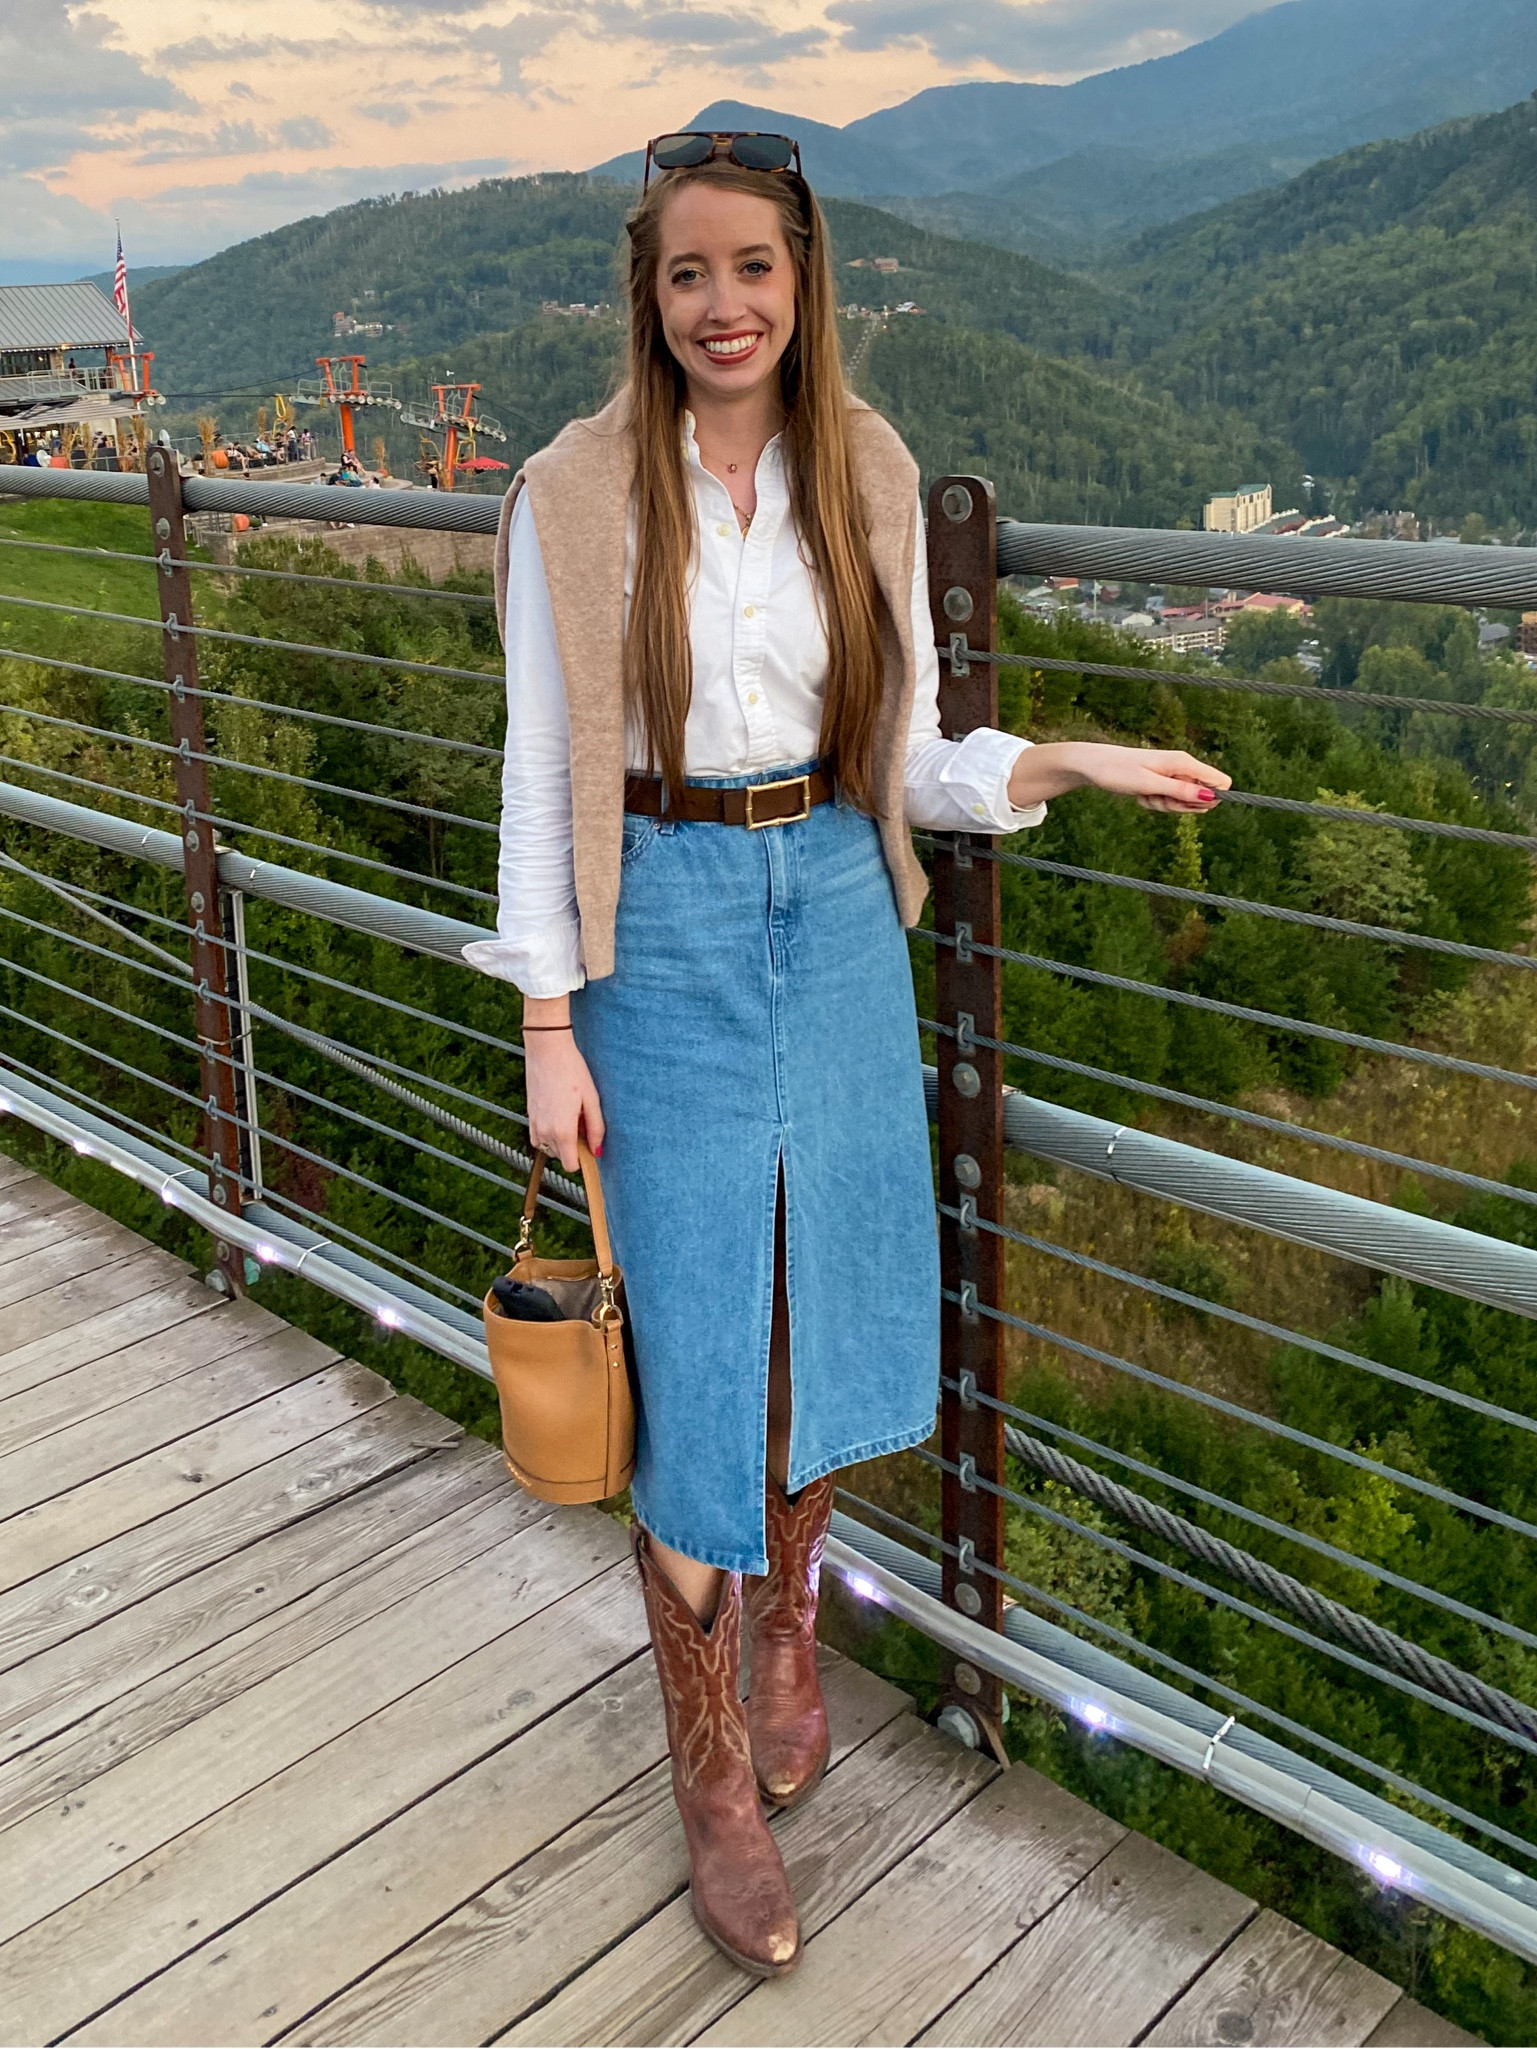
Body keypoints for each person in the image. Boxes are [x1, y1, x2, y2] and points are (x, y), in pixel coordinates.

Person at [463, 132, 1230, 1979]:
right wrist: (546, 1023)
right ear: (644, 300)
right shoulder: (567, 495)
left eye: (754, 271)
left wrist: (1052, 763)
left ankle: (786, 1616)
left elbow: (902, 757)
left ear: (804, 286)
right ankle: (709, 1765)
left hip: (828, 894)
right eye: (686, 275)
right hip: (659, 924)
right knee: (702, 1329)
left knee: (819, 1310)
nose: (721, 307)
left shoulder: (861, 472)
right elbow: (537, 771)